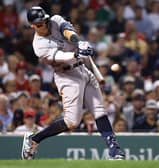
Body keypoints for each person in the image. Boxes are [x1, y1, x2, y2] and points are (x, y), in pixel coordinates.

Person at [21, 6, 125, 160]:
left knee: (99, 110)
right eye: (40, 23)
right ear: (32, 26)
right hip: (66, 76)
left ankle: (114, 149)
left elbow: (67, 31)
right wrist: (77, 53)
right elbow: (60, 56)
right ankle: (34, 139)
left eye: (44, 20)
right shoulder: (39, 46)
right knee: (72, 122)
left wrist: (79, 43)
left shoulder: (55, 20)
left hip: (82, 69)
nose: (44, 24)